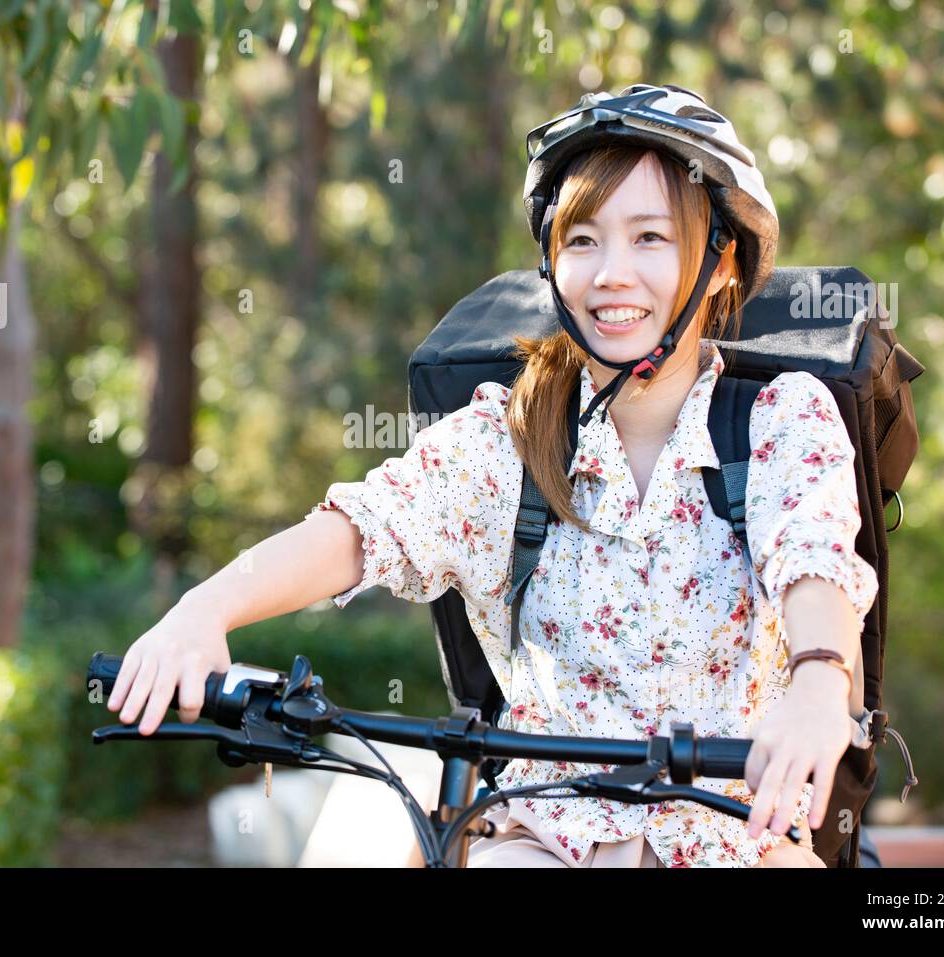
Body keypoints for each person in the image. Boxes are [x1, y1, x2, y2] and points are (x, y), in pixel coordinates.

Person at [107, 84, 878, 869]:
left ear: (721, 265)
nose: (612, 273)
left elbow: (813, 562)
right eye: (582, 239)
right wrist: (205, 610)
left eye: (652, 237)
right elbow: (361, 530)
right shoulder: (508, 436)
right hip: (547, 835)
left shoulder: (779, 421)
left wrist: (820, 681)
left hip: (734, 836)